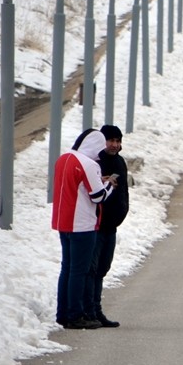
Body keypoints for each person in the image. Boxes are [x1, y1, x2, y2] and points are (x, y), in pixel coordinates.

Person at [52, 128, 115, 330]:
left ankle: (63, 313)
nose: (101, 152)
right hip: (82, 224)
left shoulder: (64, 158)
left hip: (63, 221)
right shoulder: (89, 164)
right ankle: (76, 315)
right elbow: (98, 196)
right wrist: (110, 185)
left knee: (67, 269)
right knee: (80, 271)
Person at [85, 124, 130, 328]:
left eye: (117, 141)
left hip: (111, 226)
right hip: (96, 226)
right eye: (111, 140)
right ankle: (89, 311)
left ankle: (97, 310)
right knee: (91, 269)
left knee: (103, 268)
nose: (114, 144)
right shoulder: (95, 162)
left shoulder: (119, 161)